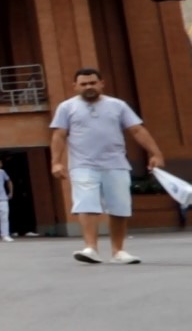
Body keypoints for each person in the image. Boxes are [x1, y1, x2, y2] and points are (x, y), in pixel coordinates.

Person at [51, 67, 164, 264]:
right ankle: (90, 248)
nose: (89, 87)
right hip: (82, 165)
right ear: (75, 86)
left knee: (119, 207)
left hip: (116, 164)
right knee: (86, 204)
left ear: (102, 83)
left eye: (93, 82)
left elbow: (137, 130)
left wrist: (156, 153)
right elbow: (59, 135)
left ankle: (118, 251)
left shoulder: (118, 105)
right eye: (84, 84)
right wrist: (56, 162)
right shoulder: (66, 107)